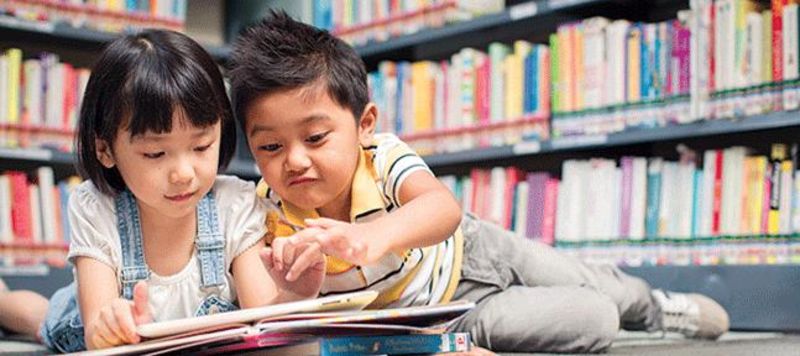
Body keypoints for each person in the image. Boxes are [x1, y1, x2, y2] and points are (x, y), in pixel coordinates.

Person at [226, 11, 731, 353]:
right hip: (451, 315)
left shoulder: (381, 158)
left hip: (477, 248)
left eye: (315, 137)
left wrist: (367, 237)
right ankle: (620, 314)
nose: (294, 161)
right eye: (269, 147)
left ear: (363, 125)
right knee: (594, 316)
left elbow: (440, 210)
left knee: (588, 279)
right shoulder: (265, 212)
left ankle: (657, 308)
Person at [0, 29, 325, 353]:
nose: (184, 174)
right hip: (82, 318)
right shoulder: (96, 206)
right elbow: (96, 331)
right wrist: (112, 327)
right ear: (105, 149)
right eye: (156, 154)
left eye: (201, 146)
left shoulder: (235, 202)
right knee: (40, 317)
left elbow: (260, 315)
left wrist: (293, 296)